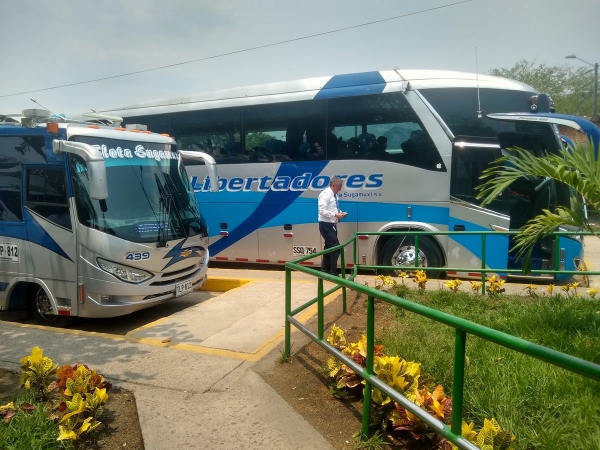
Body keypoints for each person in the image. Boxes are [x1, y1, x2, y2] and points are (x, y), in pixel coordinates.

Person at [318, 177, 347, 276]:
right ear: (333, 185)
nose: (340, 189)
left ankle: (325, 269)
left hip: (332, 225)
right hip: (326, 225)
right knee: (336, 248)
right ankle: (333, 271)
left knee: (328, 247)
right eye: (339, 187)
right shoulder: (325, 194)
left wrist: (340, 213)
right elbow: (321, 211)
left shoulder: (335, 195)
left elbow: (333, 209)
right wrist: (335, 215)